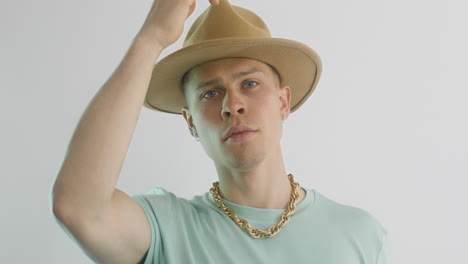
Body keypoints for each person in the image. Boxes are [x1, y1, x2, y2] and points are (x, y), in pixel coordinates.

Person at [51, 0, 390, 263]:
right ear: (191, 122)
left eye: (250, 83)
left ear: (283, 102)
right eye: (210, 93)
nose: (232, 105)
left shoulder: (359, 235)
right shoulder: (168, 229)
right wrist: (151, 38)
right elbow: (78, 210)